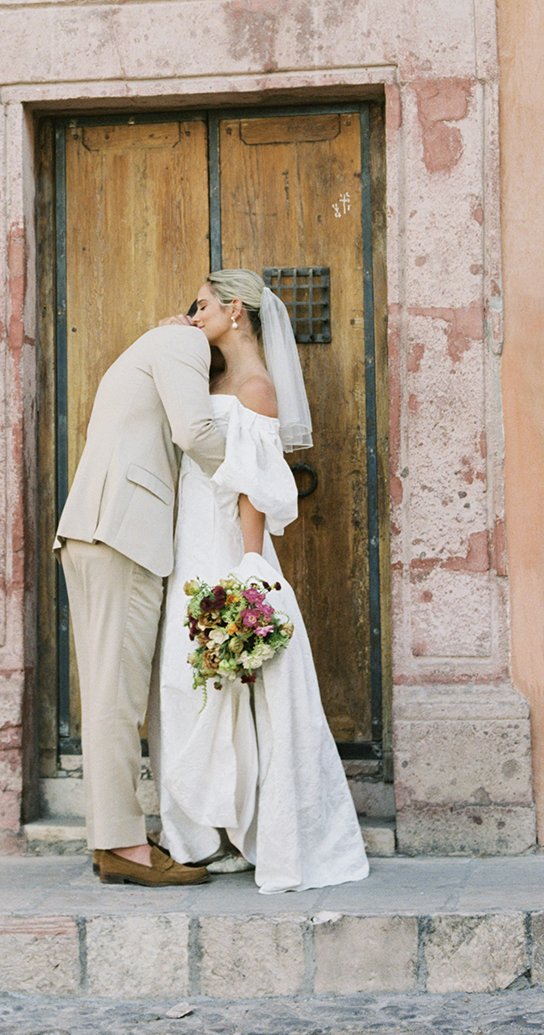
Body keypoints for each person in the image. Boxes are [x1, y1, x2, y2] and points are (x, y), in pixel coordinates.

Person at [148, 269, 370, 893]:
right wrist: (172, 336)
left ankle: (241, 829)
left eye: (202, 304)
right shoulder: (210, 375)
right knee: (184, 680)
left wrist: (248, 566)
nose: (194, 313)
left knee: (227, 685)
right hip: (188, 534)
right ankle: (198, 829)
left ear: (237, 311)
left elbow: (251, 485)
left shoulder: (255, 388)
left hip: (222, 544)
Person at [54, 322, 226, 886]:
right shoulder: (181, 341)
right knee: (116, 701)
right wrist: (264, 461)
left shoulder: (152, 346)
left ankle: (116, 836)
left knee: (113, 695)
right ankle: (123, 847)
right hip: (121, 534)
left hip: (106, 532)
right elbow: (197, 431)